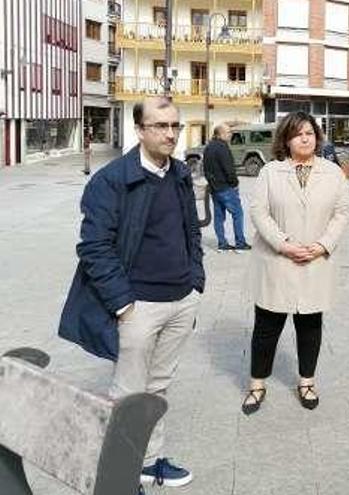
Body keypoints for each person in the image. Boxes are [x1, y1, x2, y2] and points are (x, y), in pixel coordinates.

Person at [59, 96, 204, 491]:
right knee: (127, 395)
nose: (170, 134)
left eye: (174, 125)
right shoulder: (111, 179)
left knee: (157, 389)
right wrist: (123, 304)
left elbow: (191, 229)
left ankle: (150, 461)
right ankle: (119, 476)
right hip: (137, 305)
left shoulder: (179, 173)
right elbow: (93, 246)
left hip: (180, 299)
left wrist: (196, 281)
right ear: (139, 130)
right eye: (160, 126)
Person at [241, 111, 349, 415]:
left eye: (310, 133)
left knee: (310, 325)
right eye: (298, 134)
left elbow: (342, 213)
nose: (305, 138)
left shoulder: (332, 172)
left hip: (316, 261)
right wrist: (284, 244)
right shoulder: (270, 172)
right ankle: (257, 384)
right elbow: (259, 212)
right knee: (267, 326)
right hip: (276, 261)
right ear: (286, 140)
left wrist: (321, 245)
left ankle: (307, 381)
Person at [203, 122, 251, 251]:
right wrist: (234, 184)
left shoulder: (208, 147)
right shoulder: (222, 147)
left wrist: (212, 184)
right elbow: (229, 169)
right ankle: (240, 243)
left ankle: (222, 244)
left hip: (214, 188)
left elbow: (205, 169)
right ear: (221, 134)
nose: (231, 135)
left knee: (219, 217)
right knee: (238, 214)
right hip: (226, 188)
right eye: (229, 132)